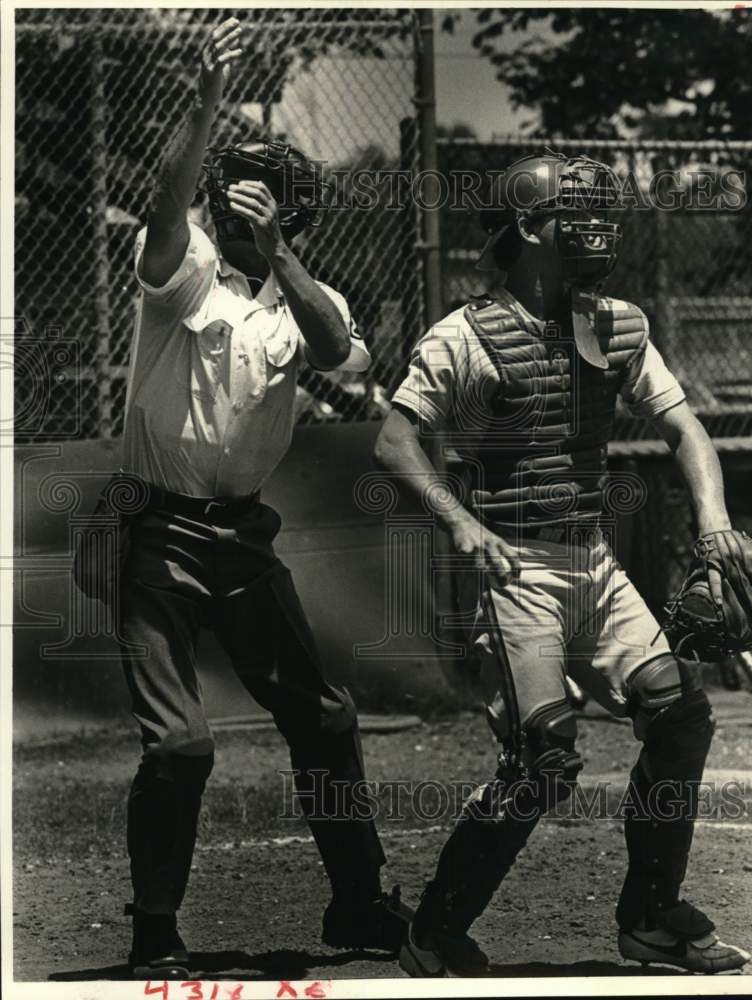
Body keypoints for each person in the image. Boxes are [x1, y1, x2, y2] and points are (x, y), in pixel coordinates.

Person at [374, 150, 752, 976]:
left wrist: (716, 526)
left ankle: (651, 918)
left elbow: (685, 428)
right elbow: (395, 439)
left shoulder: (616, 322)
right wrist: (461, 525)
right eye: (575, 211)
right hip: (519, 574)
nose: (597, 226)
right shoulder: (467, 334)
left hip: (595, 565)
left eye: (599, 210)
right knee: (545, 756)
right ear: (528, 228)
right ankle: (434, 931)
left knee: (680, 713)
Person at [108, 17, 409, 979]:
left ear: (292, 224)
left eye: (263, 206)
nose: (238, 215)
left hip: (242, 539)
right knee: (182, 747)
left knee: (324, 719)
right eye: (230, 200)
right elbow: (162, 216)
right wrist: (204, 105)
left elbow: (337, 354)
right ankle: (154, 923)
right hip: (155, 528)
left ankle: (360, 906)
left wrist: (280, 255)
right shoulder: (186, 272)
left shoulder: (305, 299)